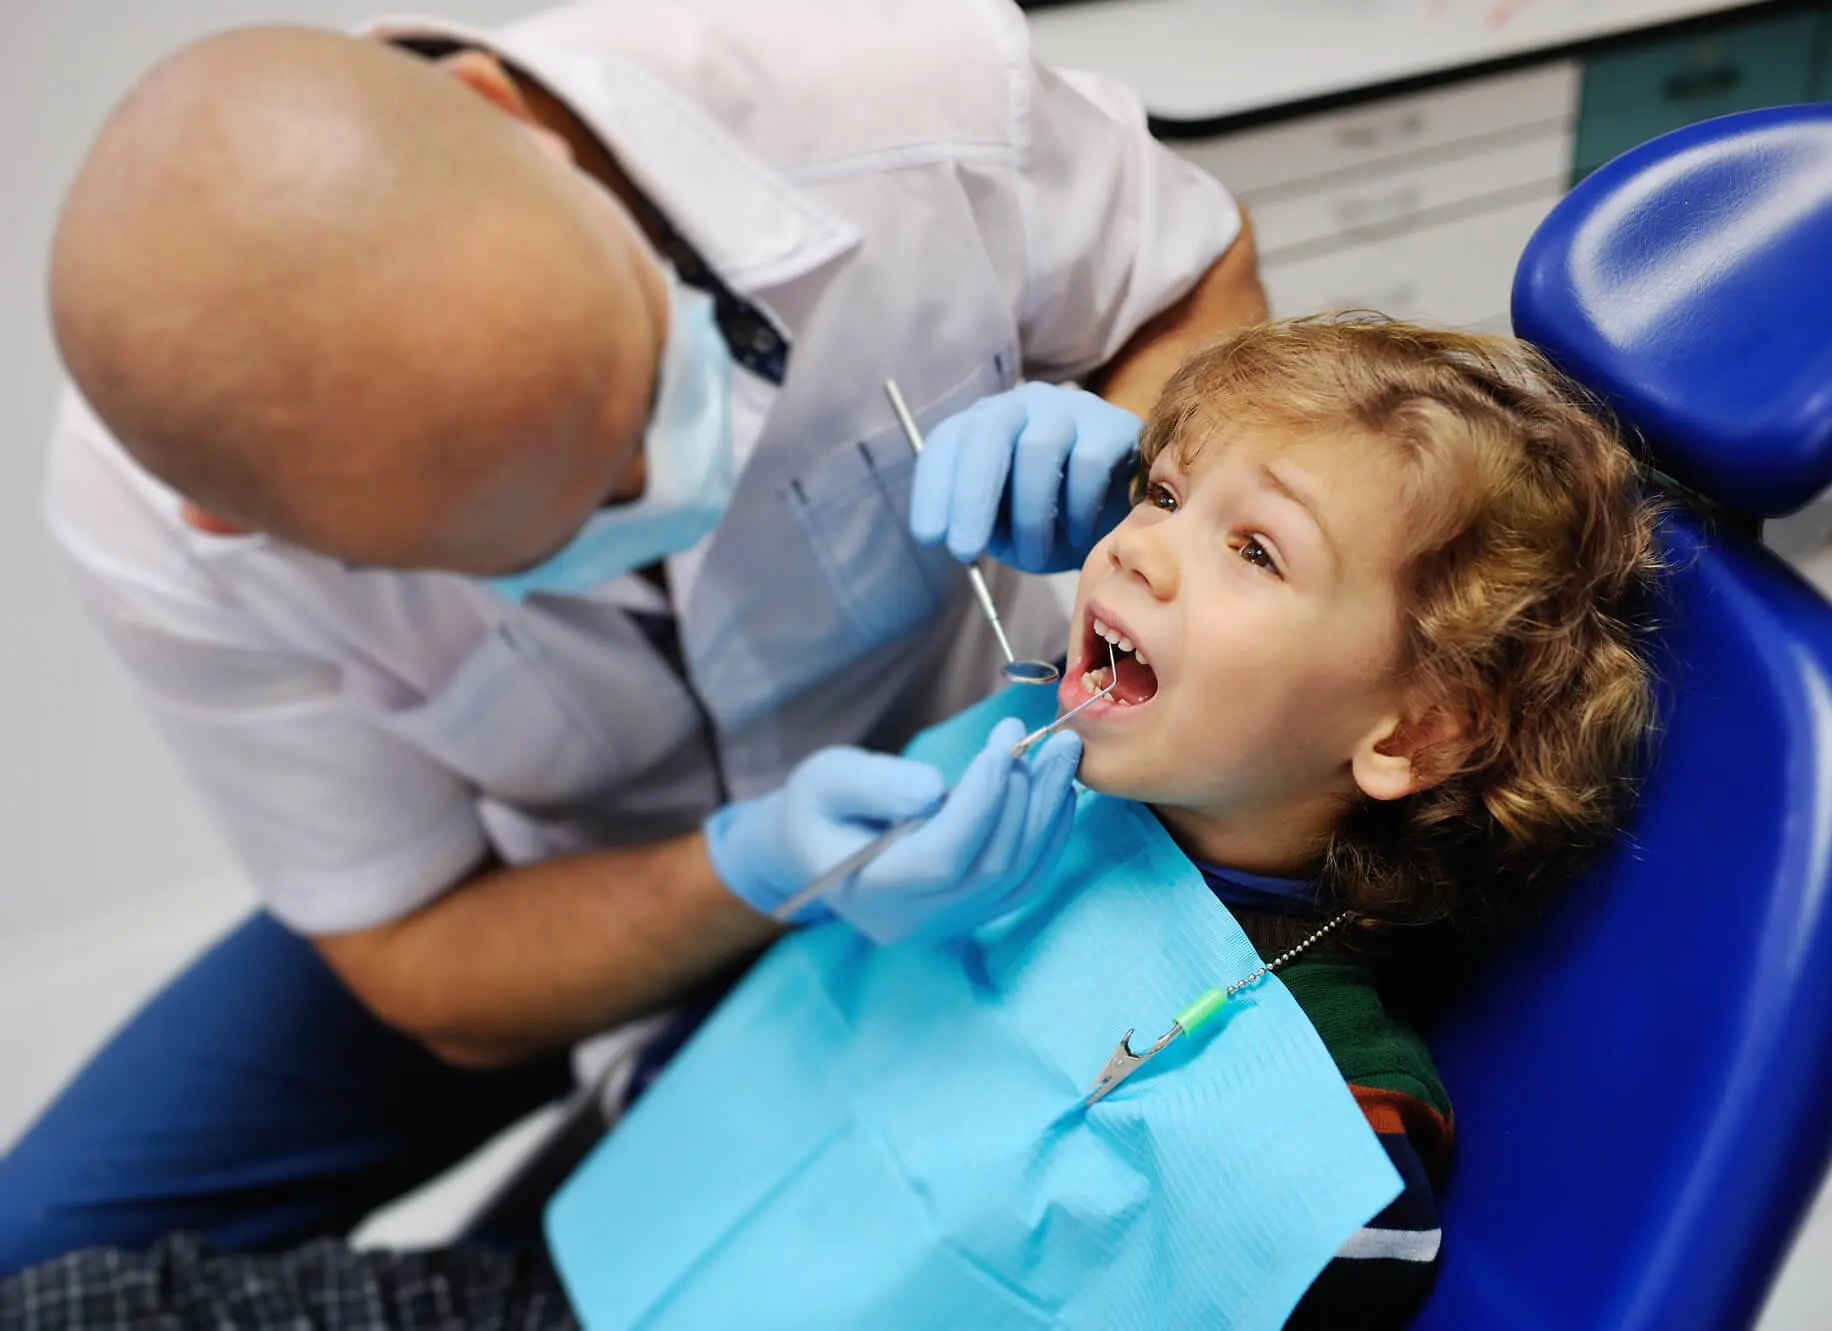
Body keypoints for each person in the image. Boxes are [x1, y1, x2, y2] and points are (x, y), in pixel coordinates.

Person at [0, 313, 1664, 1330]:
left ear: (1413, 729)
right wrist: (792, 883)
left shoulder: (1342, 1145)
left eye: (1255, 550)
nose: (1137, 547)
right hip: (579, 1276)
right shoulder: (1001, 762)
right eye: (1162, 493)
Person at [0, 0, 1268, 1273]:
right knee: (30, 1259)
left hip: (940, 751)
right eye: (533, 541)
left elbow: (1188, 277)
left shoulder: (900, 92)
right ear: (235, 521)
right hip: (541, 874)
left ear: (504, 115)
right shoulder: (162, 527)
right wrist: (747, 872)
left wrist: (1154, 445)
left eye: (633, 399)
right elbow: (415, 951)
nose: (666, 497)